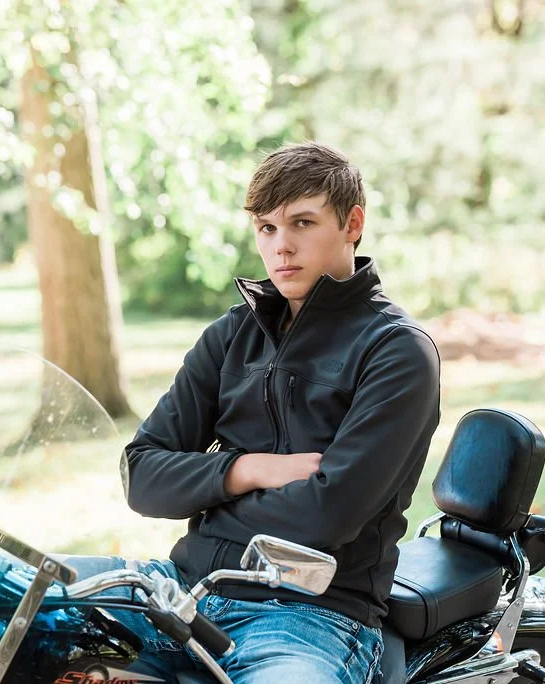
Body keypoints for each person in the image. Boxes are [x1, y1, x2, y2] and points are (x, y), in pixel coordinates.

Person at [71, 142, 441, 684]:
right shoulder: (231, 334)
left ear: (352, 223)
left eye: (303, 223)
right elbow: (142, 476)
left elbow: (325, 518)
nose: (282, 247)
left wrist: (204, 500)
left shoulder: (398, 351)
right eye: (267, 228)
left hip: (308, 619)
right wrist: (246, 470)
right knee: (3, 602)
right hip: (180, 589)